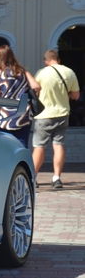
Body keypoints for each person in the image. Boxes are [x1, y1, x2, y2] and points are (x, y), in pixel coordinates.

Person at [32, 49, 80, 189]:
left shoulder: (41, 73)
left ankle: (33, 178)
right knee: (58, 144)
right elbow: (76, 96)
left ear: (46, 61)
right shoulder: (69, 72)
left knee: (39, 146)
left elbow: (35, 91)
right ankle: (57, 178)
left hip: (44, 115)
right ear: (58, 59)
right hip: (62, 113)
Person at [0, 45, 40, 148]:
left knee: (6, 147)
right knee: (22, 145)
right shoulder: (22, 71)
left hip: (5, 117)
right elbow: (36, 86)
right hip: (23, 115)